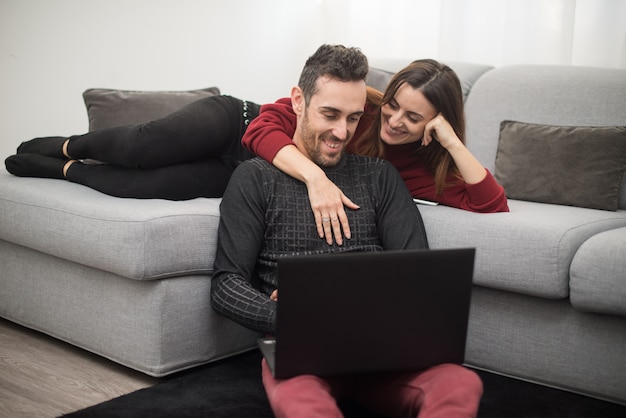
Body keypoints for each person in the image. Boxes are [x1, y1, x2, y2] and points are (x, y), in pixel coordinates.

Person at [211, 44, 483, 418]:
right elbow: (226, 284)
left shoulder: (380, 176)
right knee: (300, 400)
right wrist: (290, 317)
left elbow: (417, 271)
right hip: (304, 347)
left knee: (461, 383)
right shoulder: (254, 178)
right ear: (298, 101)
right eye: (330, 114)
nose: (341, 131)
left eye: (354, 118)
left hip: (384, 351)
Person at [242, 59, 509, 244]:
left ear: (435, 122)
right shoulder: (361, 110)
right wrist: (316, 178)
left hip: (247, 169)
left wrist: (452, 142)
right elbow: (260, 127)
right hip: (237, 123)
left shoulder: (423, 170)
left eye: (413, 118)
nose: (394, 121)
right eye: (392, 104)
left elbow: (491, 204)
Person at [5, 95, 260, 200]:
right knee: (144, 146)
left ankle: (64, 170)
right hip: (239, 123)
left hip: (244, 173)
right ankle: (69, 146)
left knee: (151, 184)